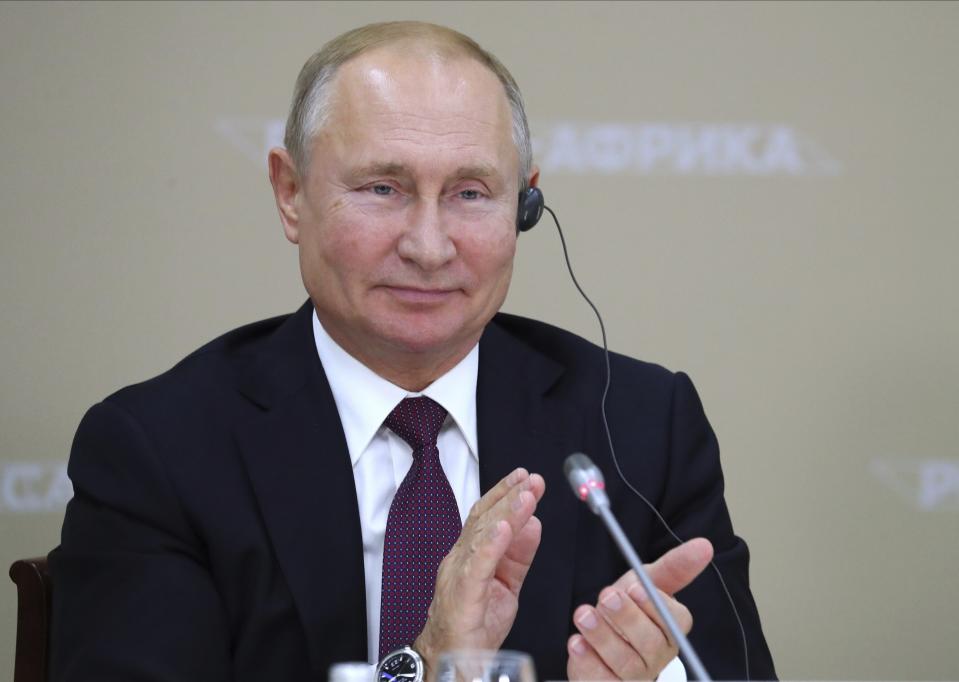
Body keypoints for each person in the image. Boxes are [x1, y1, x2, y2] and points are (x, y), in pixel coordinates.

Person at [50, 21, 776, 682]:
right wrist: (424, 666)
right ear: (290, 192)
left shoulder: (641, 428)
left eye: (468, 193)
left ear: (523, 204)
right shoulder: (161, 451)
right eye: (382, 188)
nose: (428, 248)